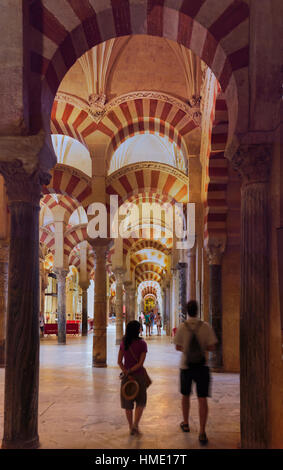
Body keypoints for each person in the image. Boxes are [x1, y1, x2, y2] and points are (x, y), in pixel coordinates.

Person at [173, 300, 217, 445]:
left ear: (187, 311)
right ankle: (202, 432)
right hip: (202, 367)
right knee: (202, 398)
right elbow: (211, 347)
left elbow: (178, 347)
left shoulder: (182, 327)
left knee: (185, 396)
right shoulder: (205, 326)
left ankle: (186, 423)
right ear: (198, 310)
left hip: (186, 366)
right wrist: (202, 348)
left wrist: (187, 349)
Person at [118, 320, 148, 435]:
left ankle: (131, 427)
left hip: (126, 377)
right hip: (139, 376)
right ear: (137, 330)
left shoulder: (124, 342)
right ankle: (136, 424)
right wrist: (131, 371)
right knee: (141, 402)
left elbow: (119, 361)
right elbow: (140, 364)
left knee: (128, 403)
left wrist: (127, 372)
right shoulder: (142, 344)